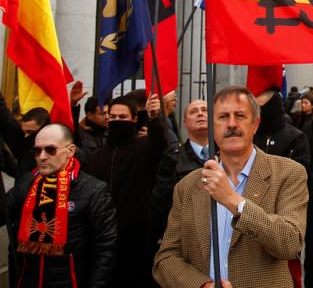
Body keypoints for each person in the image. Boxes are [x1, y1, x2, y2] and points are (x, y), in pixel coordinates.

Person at [153, 86, 308, 288]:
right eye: (223, 117)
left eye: (240, 116)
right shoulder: (188, 186)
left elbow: (289, 243)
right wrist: (202, 285)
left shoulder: (288, 173)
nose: (232, 124)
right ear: (212, 126)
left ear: (256, 124)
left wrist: (234, 201)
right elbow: (166, 259)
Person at [3, 123, 117, 287]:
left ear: (70, 151)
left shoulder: (93, 190)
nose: (42, 156)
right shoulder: (27, 183)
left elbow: (105, 249)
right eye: (37, 151)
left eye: (50, 150)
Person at [83, 93, 166, 287]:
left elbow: (159, 143)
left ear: (135, 119)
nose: (117, 121)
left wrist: (154, 118)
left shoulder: (143, 148)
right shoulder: (96, 156)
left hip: (135, 235)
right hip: (100, 235)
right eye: (113, 117)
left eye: (123, 117)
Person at [253, 88, 311, 169]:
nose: (257, 113)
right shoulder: (249, 135)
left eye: (261, 108)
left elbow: (299, 172)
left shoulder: (296, 138)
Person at [176, 99, 209, 180]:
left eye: (205, 110)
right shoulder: (175, 158)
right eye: (193, 112)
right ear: (185, 122)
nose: (200, 114)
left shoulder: (227, 153)